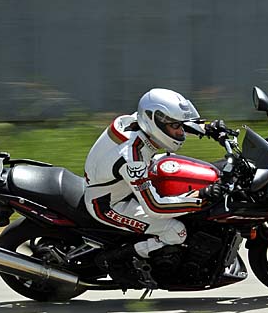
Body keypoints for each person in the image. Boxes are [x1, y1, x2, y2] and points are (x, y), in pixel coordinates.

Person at [83, 88, 226, 273]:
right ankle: (119, 259)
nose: (180, 131)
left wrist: (206, 128)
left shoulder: (140, 121)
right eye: (176, 127)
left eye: (180, 125)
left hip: (121, 184)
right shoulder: (132, 158)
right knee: (176, 232)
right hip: (108, 204)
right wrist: (201, 197)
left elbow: (169, 123)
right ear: (155, 121)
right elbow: (155, 207)